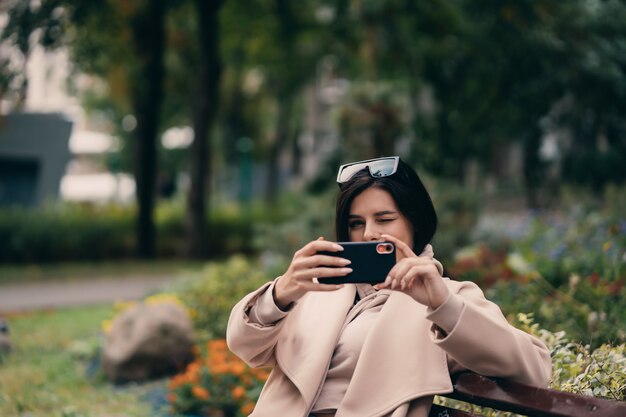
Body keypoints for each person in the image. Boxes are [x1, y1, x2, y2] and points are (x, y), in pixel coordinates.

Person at [227, 156, 552, 417]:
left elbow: (535, 370)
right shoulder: (319, 290)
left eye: (384, 219)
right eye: (356, 223)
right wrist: (280, 293)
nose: (368, 234)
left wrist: (442, 305)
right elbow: (245, 348)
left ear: (415, 221)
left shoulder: (446, 298)